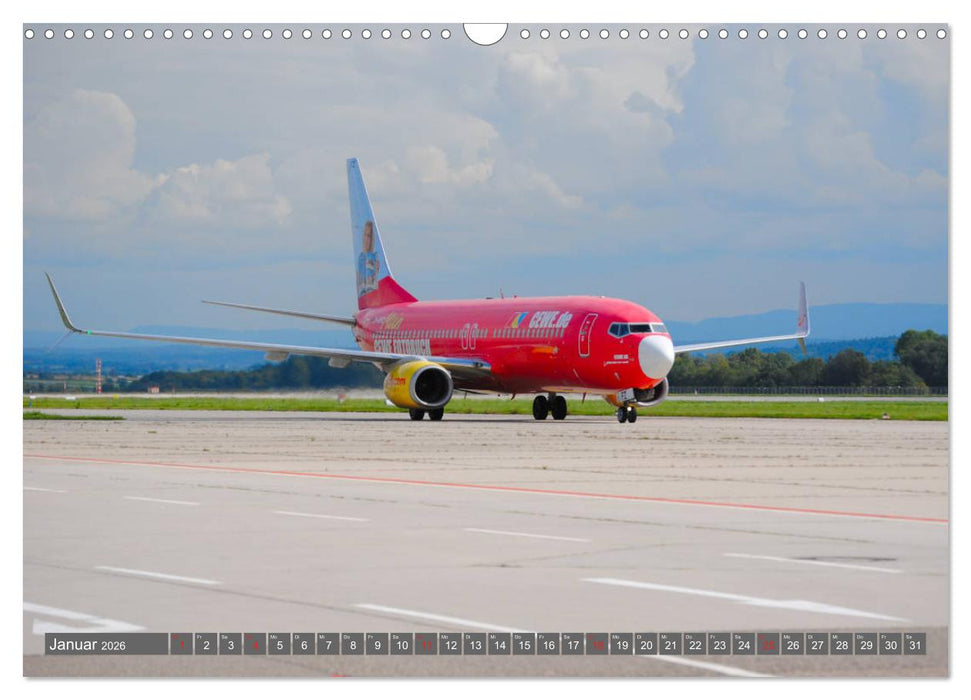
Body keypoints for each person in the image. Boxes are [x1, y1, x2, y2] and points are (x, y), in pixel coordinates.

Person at [357, 220, 381, 296]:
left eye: (369, 236)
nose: (366, 239)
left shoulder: (374, 257)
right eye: (365, 235)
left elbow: (373, 284)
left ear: (372, 239)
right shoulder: (360, 258)